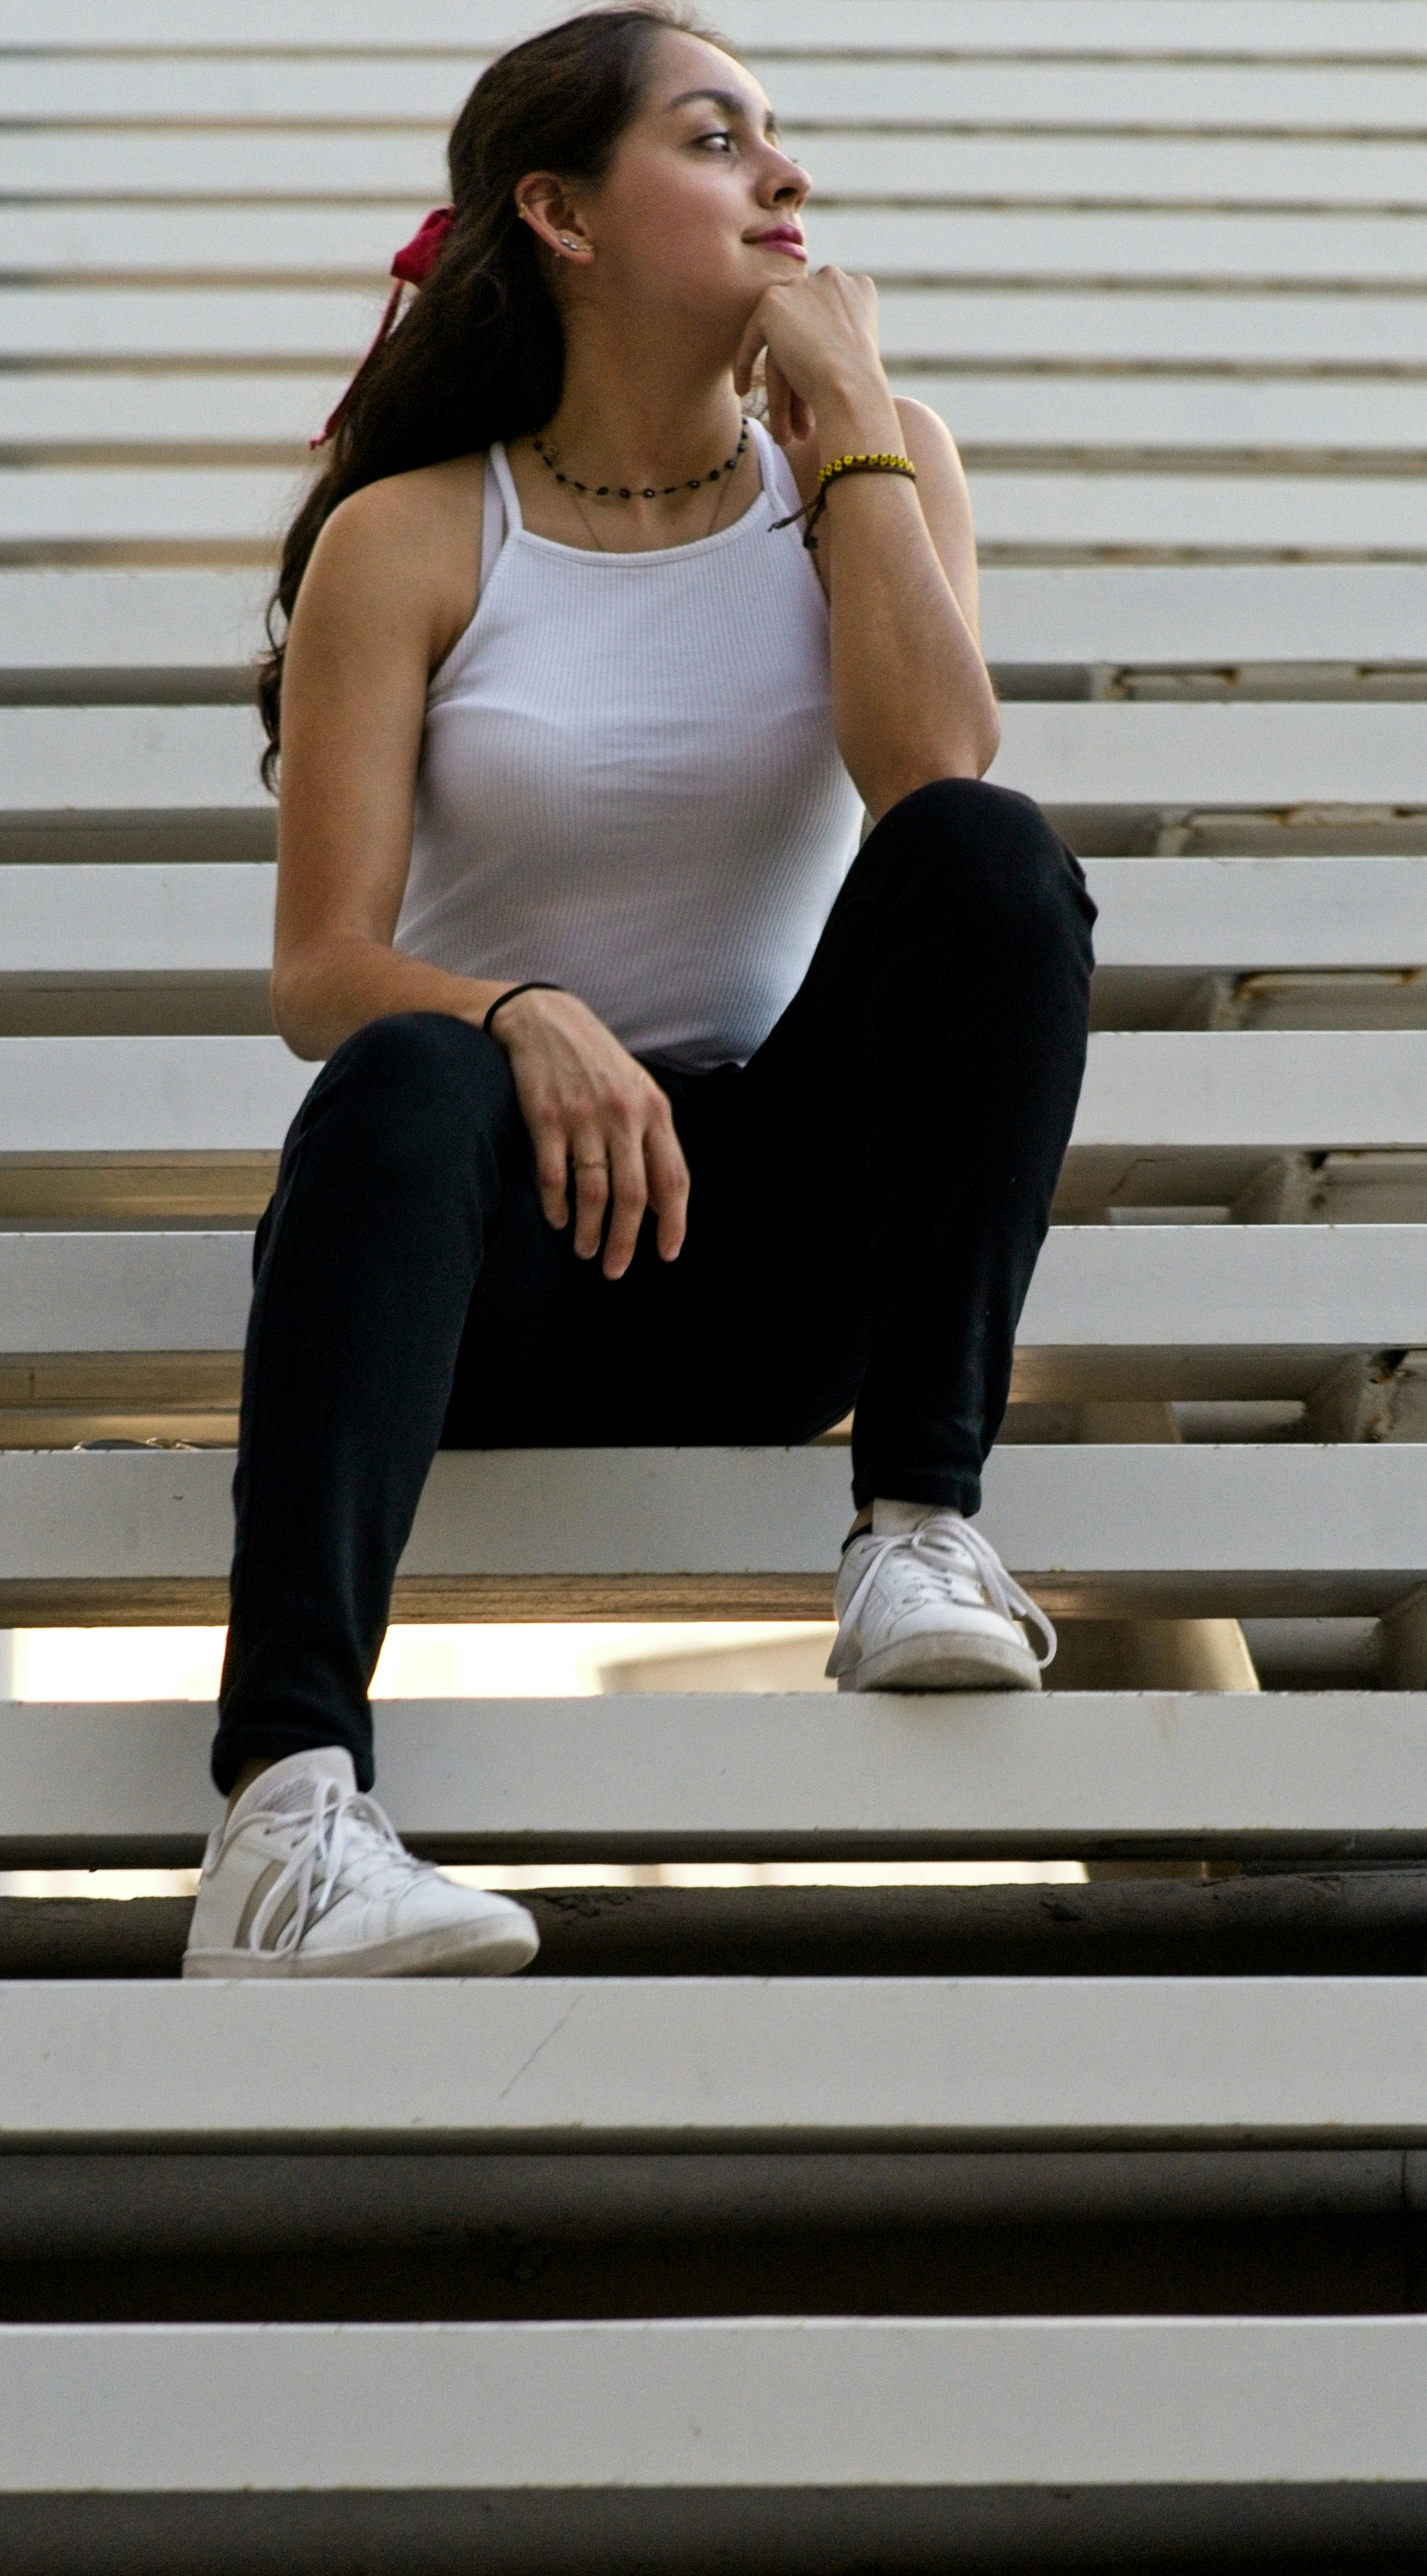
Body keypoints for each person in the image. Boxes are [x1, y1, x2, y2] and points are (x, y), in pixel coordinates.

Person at [183, 3, 1095, 1983]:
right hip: (507, 1252)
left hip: (769, 1257)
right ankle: (285, 1823)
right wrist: (518, 1012)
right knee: (408, 1070)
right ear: (560, 212)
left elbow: (935, 769)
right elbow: (318, 967)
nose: (782, 177)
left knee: (989, 860)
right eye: (712, 139)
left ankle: (918, 1527)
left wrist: (843, 409)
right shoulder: (416, 532)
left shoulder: (875, 462)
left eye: (779, 138)